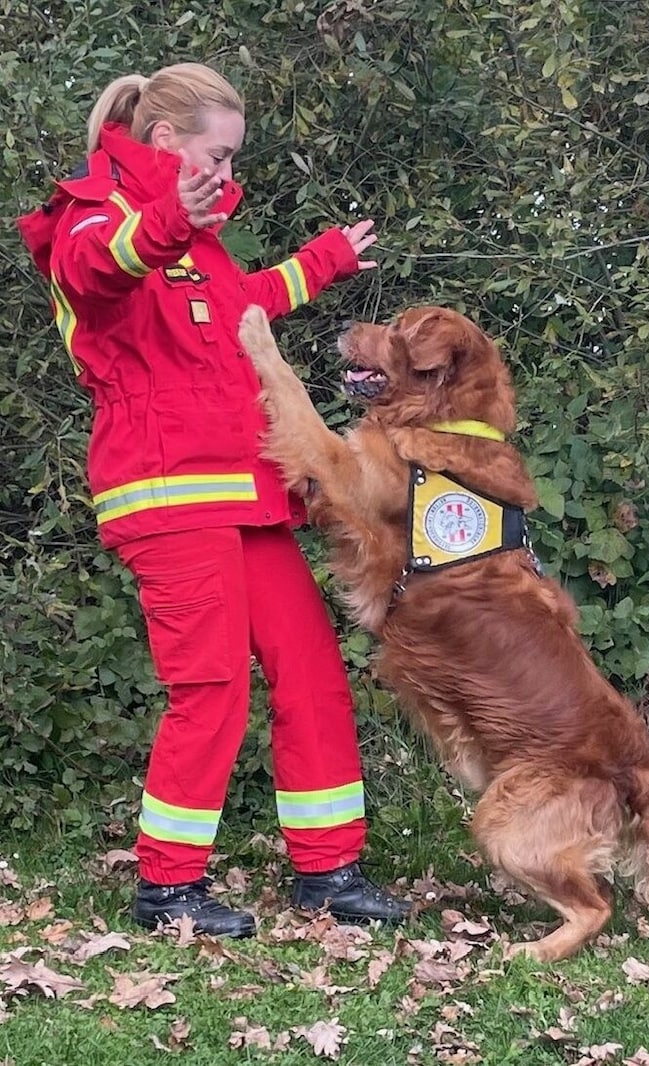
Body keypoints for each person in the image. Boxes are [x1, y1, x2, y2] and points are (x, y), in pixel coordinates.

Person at [18, 62, 410, 937]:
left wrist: (326, 260)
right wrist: (165, 221)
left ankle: (329, 871)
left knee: (310, 672)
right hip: (167, 496)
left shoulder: (199, 244)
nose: (230, 174)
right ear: (166, 143)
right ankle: (168, 889)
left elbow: (247, 310)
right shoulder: (93, 215)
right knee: (212, 688)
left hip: (246, 495)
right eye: (221, 155)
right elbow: (97, 273)